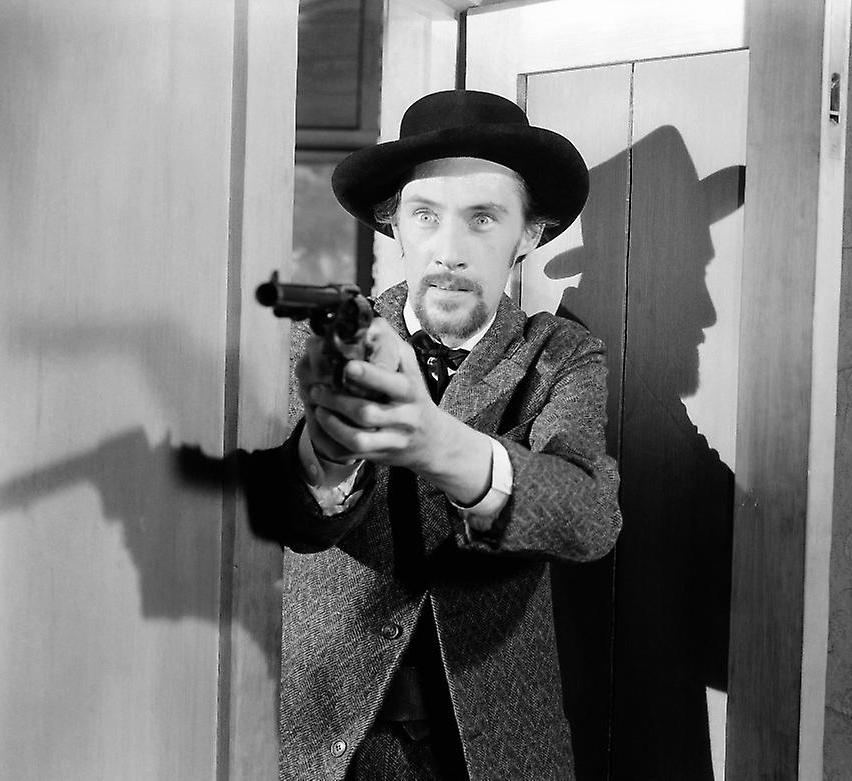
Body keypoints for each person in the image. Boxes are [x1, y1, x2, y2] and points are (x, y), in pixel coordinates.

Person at [245, 89, 622, 781]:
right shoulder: (322, 340)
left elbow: (588, 517)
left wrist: (437, 444)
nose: (449, 251)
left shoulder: (562, 354)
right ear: (394, 223)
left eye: (483, 218)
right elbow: (284, 516)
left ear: (528, 234)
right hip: (327, 736)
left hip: (494, 743)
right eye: (426, 215)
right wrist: (330, 455)